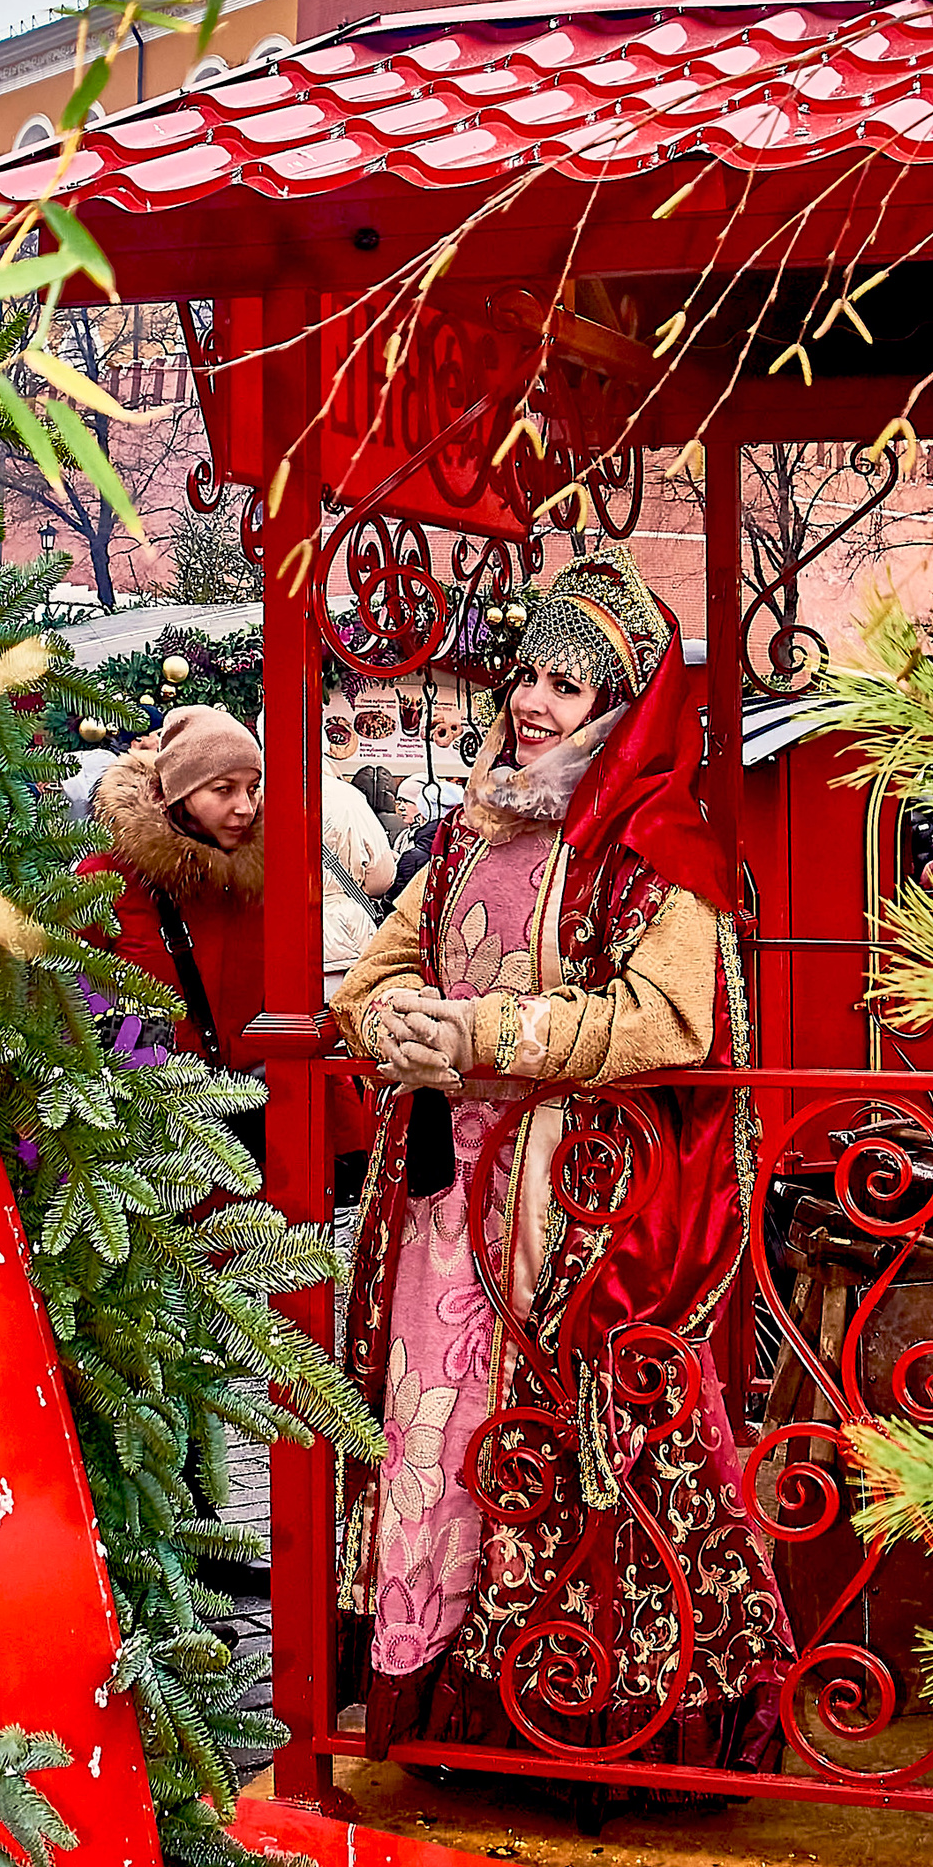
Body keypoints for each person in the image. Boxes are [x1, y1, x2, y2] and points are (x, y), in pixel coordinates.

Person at [329, 552, 791, 1768]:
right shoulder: (471, 828)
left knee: (567, 1440)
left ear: (619, 708)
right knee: (435, 1430)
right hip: (442, 1198)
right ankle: (445, 1696)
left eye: (565, 687)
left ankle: (582, 1708)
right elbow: (380, 969)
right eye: (526, 675)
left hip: (573, 1208)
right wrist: (393, 1023)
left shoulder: (656, 847)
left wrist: (479, 1032)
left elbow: (670, 1020)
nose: (532, 703)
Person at [90, 703, 265, 1073]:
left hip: (258, 1096)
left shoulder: (267, 880)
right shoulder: (108, 878)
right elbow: (59, 1000)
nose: (245, 808)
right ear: (178, 793)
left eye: (252, 789)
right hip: (146, 1097)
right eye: (223, 789)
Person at [321, 761, 398, 978]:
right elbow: (381, 877)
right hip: (344, 933)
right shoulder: (346, 797)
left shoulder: (256, 796)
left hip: (268, 930)